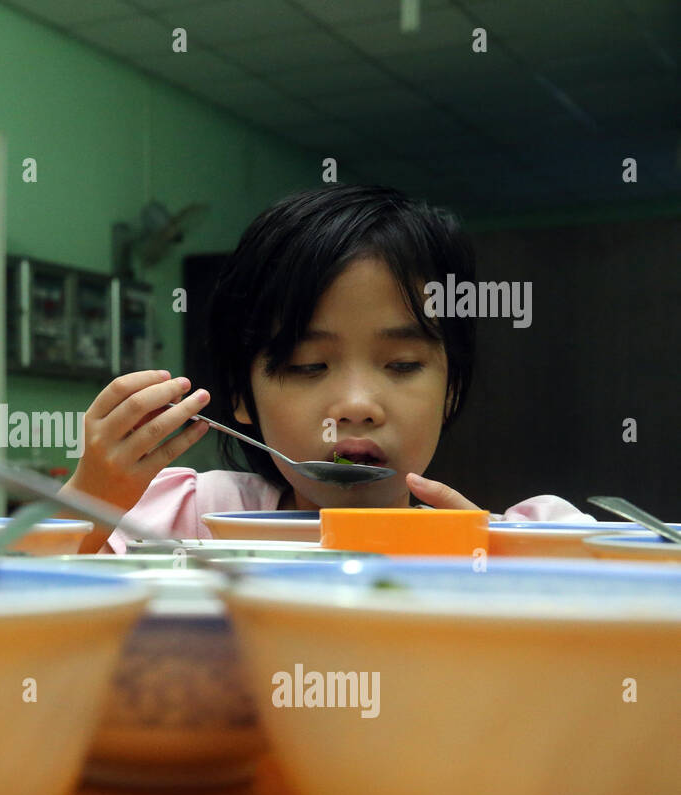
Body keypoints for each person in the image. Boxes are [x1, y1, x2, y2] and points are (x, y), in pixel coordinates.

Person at [63, 184, 593, 554]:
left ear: (452, 388)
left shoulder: (529, 544)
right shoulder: (191, 520)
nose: (358, 405)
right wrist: (90, 498)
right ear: (241, 394)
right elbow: (1, 597)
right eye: (308, 365)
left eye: (403, 365)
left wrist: (507, 573)